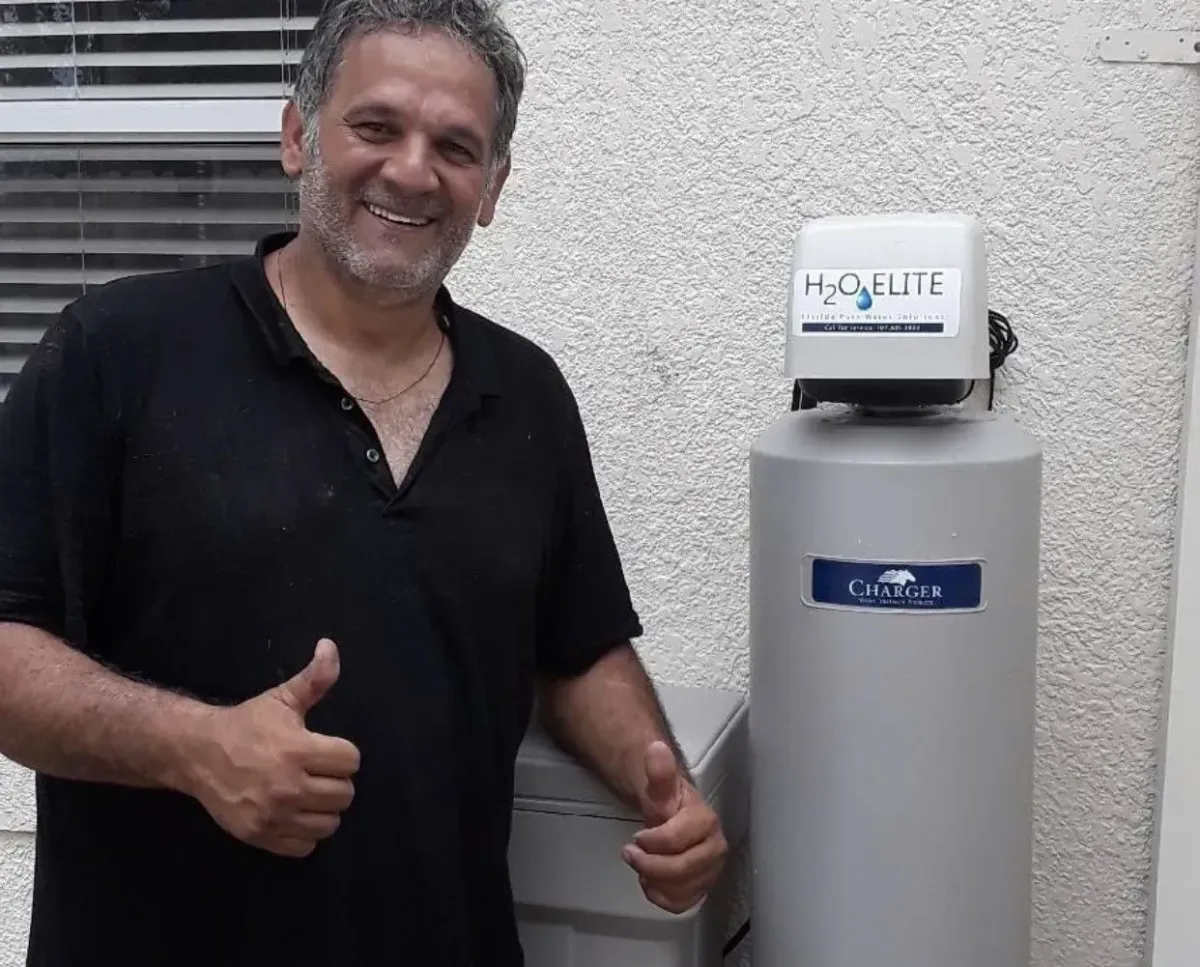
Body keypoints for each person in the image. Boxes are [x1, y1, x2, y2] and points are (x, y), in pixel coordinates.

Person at [0, 1, 728, 965]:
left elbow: (576, 646)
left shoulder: (527, 396)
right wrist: (194, 746)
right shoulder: (117, 353)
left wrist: (663, 793)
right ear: (297, 138)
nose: (413, 171)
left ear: (493, 187)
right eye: (376, 126)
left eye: (456, 147)